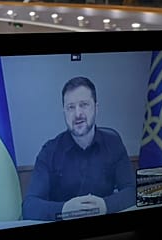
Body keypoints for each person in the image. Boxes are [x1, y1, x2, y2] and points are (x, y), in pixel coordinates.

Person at [21, 76, 135, 221]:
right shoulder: (49, 151)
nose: (77, 114)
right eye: (71, 107)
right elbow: (29, 207)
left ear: (96, 108)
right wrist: (65, 210)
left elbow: (132, 191)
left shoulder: (113, 143)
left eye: (84, 105)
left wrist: (105, 206)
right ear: (64, 112)